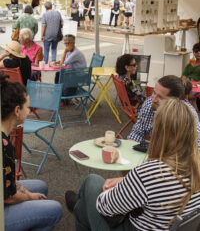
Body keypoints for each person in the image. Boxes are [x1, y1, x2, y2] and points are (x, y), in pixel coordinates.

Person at [65, 99, 200, 231]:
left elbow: (105, 208)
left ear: (160, 133)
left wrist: (113, 191)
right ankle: (80, 204)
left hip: (133, 225)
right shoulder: (195, 167)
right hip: (161, 224)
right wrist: (126, 183)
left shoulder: (150, 173)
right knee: (83, 206)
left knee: (92, 181)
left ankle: (79, 203)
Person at [1, 73, 63, 231]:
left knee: (40, 186)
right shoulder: (4, 145)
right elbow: (8, 198)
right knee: (55, 209)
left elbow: (8, 182)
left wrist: (28, 194)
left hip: (4, 196)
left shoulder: (4, 137)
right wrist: (29, 197)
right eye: (27, 107)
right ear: (17, 110)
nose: (29, 111)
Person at [127, 75, 200, 148]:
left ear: (176, 101)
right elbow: (137, 132)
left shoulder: (189, 118)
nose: (154, 99)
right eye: (154, 93)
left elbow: (196, 151)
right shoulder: (150, 103)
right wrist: (129, 149)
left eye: (160, 97)